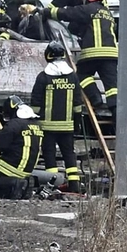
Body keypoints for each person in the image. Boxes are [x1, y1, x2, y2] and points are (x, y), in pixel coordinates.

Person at [30, 0, 118, 116]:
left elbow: (67, 13)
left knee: (82, 74)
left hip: (93, 52)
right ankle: (116, 112)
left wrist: (45, 12)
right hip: (111, 54)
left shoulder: (89, 9)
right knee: (112, 86)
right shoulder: (108, 13)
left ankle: (96, 100)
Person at [30, 41, 82, 193]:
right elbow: (78, 104)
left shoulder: (43, 77)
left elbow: (36, 103)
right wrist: (77, 124)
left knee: (49, 154)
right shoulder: (72, 76)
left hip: (47, 127)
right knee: (69, 154)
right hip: (67, 127)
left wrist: (33, 121)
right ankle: (74, 185)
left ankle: (53, 185)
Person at [0, 97, 42, 199]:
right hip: (28, 169)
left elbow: (0, 145)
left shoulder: (13, 125)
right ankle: (20, 187)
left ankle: (13, 185)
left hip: (12, 165)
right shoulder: (37, 125)